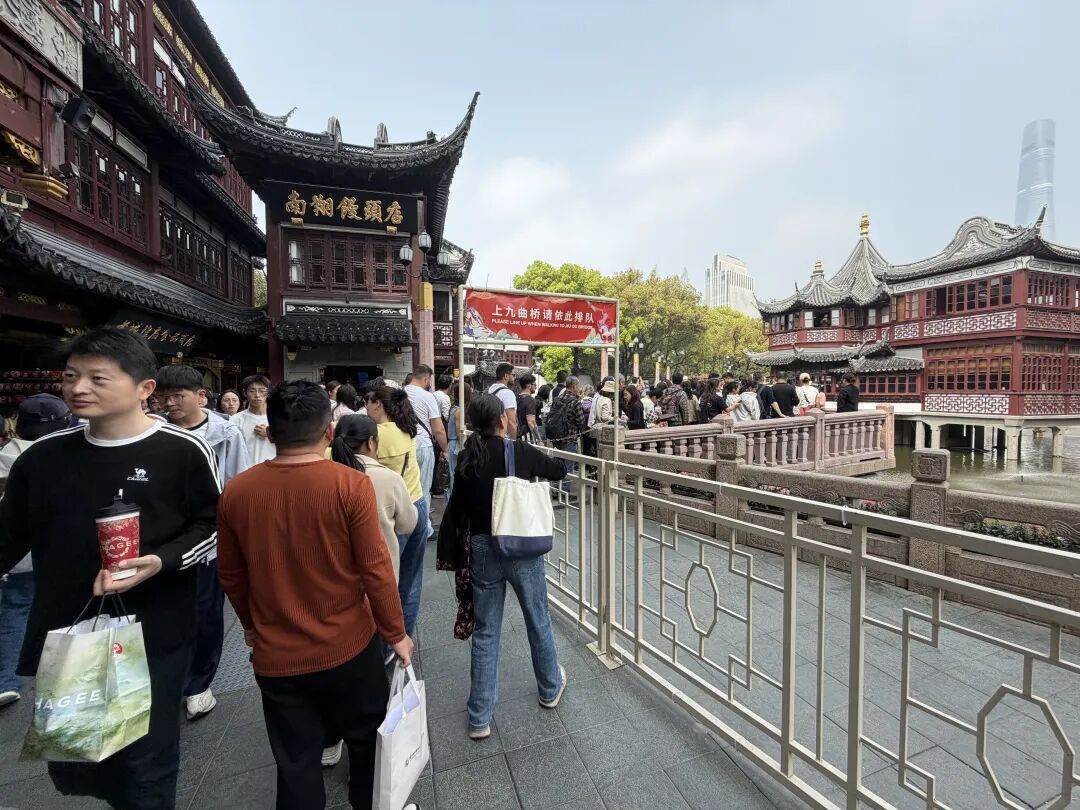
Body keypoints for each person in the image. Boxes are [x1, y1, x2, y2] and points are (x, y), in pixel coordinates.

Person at [0, 327, 219, 808]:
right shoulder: (42, 459)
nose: (78, 388)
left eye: (98, 378)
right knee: (84, 754)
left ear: (144, 388)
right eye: (70, 376)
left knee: (146, 761)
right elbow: (9, 534)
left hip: (153, 630)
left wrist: (159, 561)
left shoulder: (182, 452)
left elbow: (213, 526)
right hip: (70, 632)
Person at [216, 382, 413, 810]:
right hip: (350, 644)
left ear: (272, 431)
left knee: (295, 761)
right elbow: (375, 569)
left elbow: (231, 574)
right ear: (328, 431)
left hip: (277, 654)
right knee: (367, 744)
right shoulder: (350, 484)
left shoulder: (237, 492)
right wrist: (395, 632)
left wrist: (251, 626)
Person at [446, 393, 568, 740]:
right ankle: (550, 688)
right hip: (520, 547)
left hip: (482, 547)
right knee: (537, 617)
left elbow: (459, 506)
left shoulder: (467, 456)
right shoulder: (519, 451)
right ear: (502, 419)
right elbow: (558, 470)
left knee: (486, 630)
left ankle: (479, 717)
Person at [154, 364, 251, 721]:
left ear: (200, 396)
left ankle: (199, 683)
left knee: (206, 610)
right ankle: (170, 677)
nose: (170, 403)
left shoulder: (226, 433)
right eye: (164, 397)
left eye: (177, 396)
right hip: (163, 537)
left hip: (209, 537)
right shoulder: (155, 430)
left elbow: (237, 481)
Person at [0, 394, 71, 708]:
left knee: (16, 610)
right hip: (58, 550)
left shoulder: (5, 456)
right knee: (65, 612)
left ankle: (7, 679)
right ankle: (63, 679)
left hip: (14, 554)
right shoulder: (62, 455)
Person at [364, 385, 427, 638]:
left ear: (378, 404)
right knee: (411, 581)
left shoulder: (373, 436)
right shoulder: (407, 428)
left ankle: (386, 640)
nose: (366, 406)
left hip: (390, 512)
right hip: (417, 504)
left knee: (385, 581)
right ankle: (403, 636)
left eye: (368, 401)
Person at [404, 364, 449, 540]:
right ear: (426, 379)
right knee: (422, 488)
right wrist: (445, 449)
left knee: (405, 487)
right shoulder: (427, 396)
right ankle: (424, 528)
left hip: (403, 444)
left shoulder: (399, 394)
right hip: (423, 444)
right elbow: (438, 429)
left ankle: (405, 524)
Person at [544, 376, 586, 493]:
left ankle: (555, 489)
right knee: (568, 466)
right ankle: (564, 492)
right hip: (569, 438)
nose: (579, 388)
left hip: (556, 437)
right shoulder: (575, 401)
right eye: (578, 386)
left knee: (558, 464)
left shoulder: (557, 399)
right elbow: (581, 421)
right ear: (574, 386)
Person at [232, 374, 277, 464]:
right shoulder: (235, 420)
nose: (257, 395)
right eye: (252, 391)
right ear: (245, 393)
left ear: (268, 393)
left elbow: (293, 442)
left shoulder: (278, 417)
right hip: (246, 468)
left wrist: (270, 434)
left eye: (262, 391)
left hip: (273, 467)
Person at [446, 382, 471, 499]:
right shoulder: (459, 411)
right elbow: (459, 431)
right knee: (456, 473)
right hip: (456, 443)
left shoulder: (453, 408)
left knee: (453, 472)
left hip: (451, 442)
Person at [486, 363, 518, 440]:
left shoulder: (489, 390)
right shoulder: (507, 393)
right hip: (503, 437)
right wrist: (514, 441)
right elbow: (511, 422)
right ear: (506, 376)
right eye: (513, 375)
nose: (515, 377)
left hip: (489, 435)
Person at [517, 373, 540, 443]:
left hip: (517, 435)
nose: (536, 387)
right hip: (527, 437)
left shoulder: (516, 398)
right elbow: (531, 422)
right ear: (529, 386)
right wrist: (539, 440)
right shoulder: (530, 400)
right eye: (534, 384)